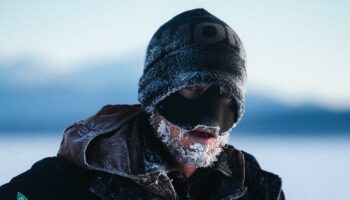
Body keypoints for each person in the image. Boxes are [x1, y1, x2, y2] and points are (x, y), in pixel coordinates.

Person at [0, 8, 285, 200]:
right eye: (191, 89)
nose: (209, 119)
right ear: (155, 96)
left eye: (225, 95)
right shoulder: (65, 184)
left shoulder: (256, 188)